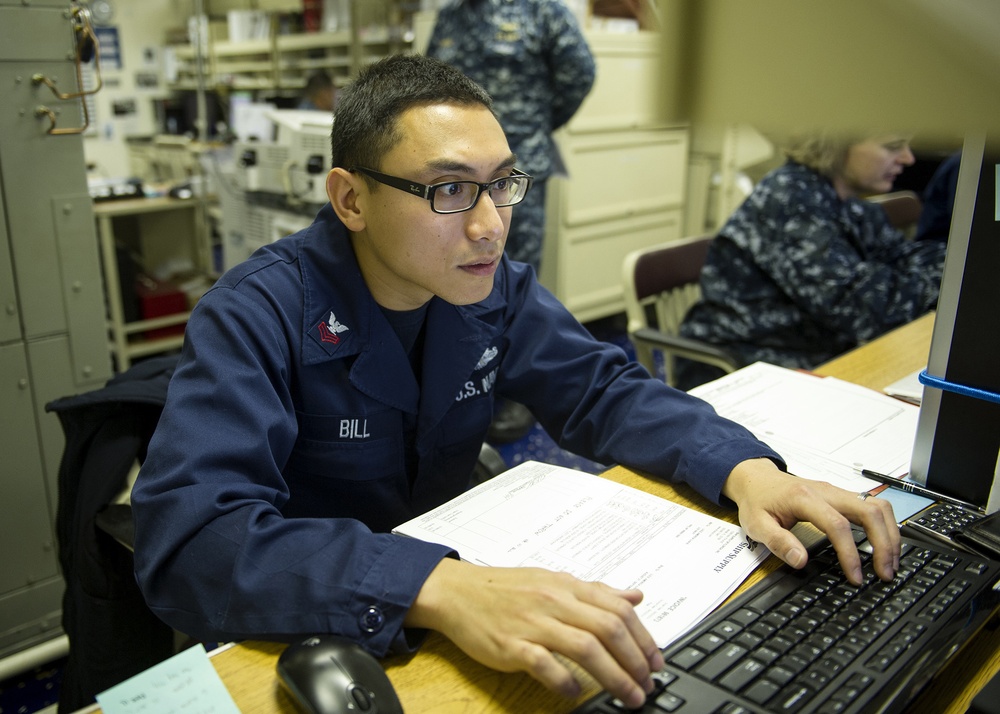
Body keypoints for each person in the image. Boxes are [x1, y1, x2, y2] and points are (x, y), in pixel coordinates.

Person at [131, 56, 899, 710]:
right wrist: (441, 588)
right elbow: (193, 541)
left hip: (452, 586)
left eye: (502, 184)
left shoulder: (488, 285)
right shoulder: (253, 315)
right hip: (312, 612)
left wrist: (745, 469)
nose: (490, 224)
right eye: (450, 190)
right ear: (351, 199)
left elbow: (602, 388)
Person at [426, 0, 597, 441]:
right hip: (451, 178)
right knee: (453, 277)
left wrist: (530, 126)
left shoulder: (542, 12)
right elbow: (426, 91)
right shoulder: (451, 16)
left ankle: (515, 395)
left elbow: (579, 75)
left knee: (510, 278)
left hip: (512, 172)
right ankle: (458, 385)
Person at [676, 133, 948, 390]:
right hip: (752, 368)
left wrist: (936, 276)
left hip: (816, 352)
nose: (907, 158)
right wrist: (943, 280)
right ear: (837, 143)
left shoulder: (845, 200)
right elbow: (867, 311)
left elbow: (902, 256)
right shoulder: (791, 199)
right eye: (892, 146)